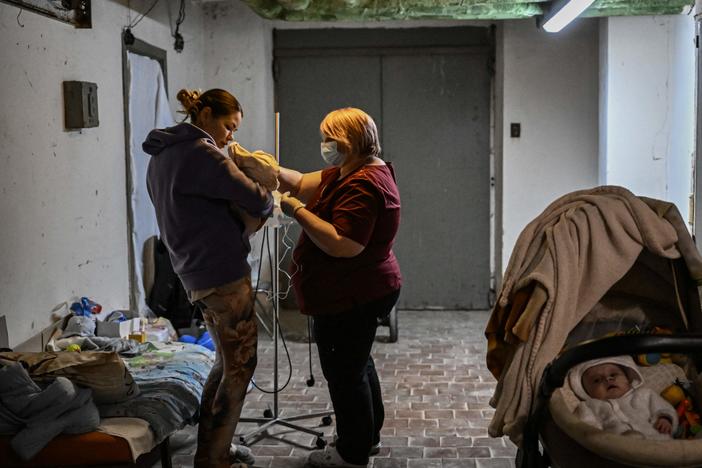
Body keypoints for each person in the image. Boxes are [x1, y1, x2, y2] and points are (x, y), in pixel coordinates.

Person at [142, 88, 274, 467]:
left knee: (224, 361)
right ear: (205, 116)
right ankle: (214, 458)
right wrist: (261, 184)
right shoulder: (202, 153)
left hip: (193, 272)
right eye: (228, 126)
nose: (230, 136)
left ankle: (213, 448)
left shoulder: (161, 156)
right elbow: (260, 199)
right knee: (241, 366)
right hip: (223, 272)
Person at [277, 107, 402, 468]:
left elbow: (344, 244)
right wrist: (266, 169)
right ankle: (366, 438)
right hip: (359, 289)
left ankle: (351, 454)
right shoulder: (354, 169)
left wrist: (298, 212)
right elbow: (300, 181)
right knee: (358, 364)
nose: (324, 145)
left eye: (328, 138)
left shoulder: (363, 183)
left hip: (352, 294)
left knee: (345, 374)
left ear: (347, 143)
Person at [568, 355, 677, 440]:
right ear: (586, 391)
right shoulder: (589, 406)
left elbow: (662, 408)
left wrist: (665, 419)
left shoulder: (643, 394)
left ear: (628, 380)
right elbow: (586, 429)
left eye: (613, 375)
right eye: (597, 380)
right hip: (618, 449)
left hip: (657, 440)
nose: (607, 379)